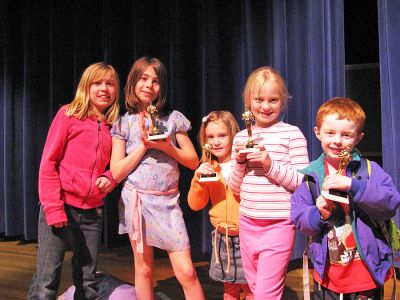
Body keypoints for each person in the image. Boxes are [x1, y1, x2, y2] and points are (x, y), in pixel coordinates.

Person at [110, 57, 205, 300]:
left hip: (167, 203)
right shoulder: (123, 122)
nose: (149, 85)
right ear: (133, 82)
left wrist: (166, 147)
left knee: (186, 272)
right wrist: (143, 146)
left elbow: (193, 161)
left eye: (155, 81)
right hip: (137, 202)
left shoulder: (173, 118)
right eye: (143, 78)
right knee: (143, 268)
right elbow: (117, 171)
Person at [290, 97, 400, 299]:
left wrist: (354, 185)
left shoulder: (369, 170)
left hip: (366, 276)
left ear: (358, 137)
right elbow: (298, 217)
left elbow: (390, 203)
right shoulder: (311, 177)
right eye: (330, 132)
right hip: (328, 278)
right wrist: (319, 214)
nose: (337, 141)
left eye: (346, 135)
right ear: (317, 133)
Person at [28, 62, 120, 299]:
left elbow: (118, 165)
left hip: (91, 213)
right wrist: (54, 209)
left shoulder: (115, 126)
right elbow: (48, 163)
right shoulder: (68, 115)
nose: (104, 89)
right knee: (47, 281)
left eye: (110, 84)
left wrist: (109, 177)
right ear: (86, 87)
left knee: (87, 281)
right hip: (61, 207)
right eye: (97, 83)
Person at [229, 66, 309, 299]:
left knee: (266, 294)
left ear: (283, 101)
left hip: (278, 224)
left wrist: (269, 164)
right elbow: (235, 187)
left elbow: (300, 182)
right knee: (255, 290)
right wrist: (240, 162)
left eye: (273, 100)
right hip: (247, 222)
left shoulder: (292, 134)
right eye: (259, 99)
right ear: (248, 101)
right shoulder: (242, 137)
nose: (265, 106)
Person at [187, 111, 253, 300]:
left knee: (251, 289)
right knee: (230, 290)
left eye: (222, 136)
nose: (216, 142)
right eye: (210, 137)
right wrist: (199, 180)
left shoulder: (244, 164)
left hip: (246, 236)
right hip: (222, 239)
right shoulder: (208, 168)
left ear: (233, 135)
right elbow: (195, 204)